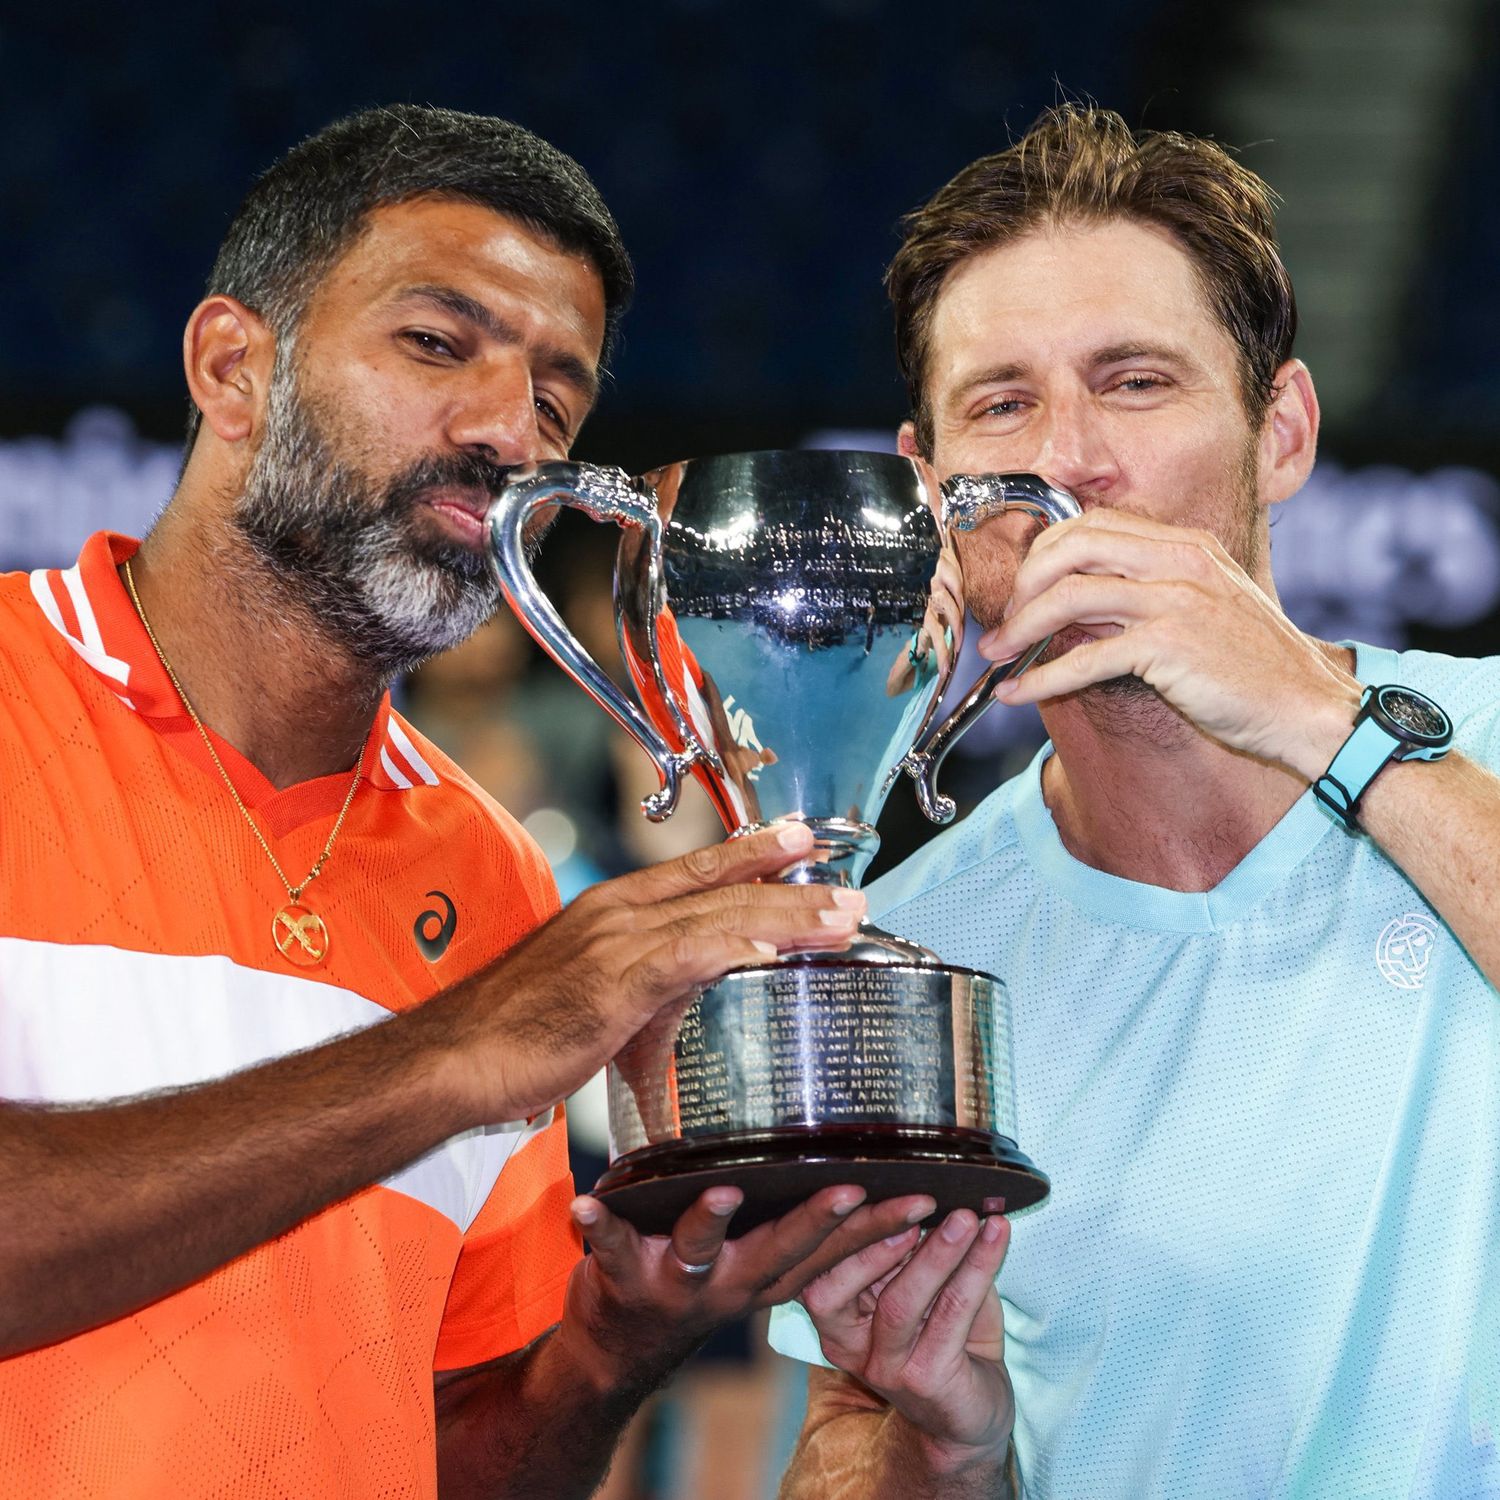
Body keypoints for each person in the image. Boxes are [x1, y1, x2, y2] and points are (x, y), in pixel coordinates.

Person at [0, 105, 935, 1499]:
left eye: (559, 397)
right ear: (231, 367)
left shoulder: (492, 882)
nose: (509, 431)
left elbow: (447, 1457)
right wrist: (455, 1052)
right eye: (436, 343)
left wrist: (613, 1345)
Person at [773, 103, 1500, 1499]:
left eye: (1138, 382)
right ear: (930, 492)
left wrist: (1319, 722)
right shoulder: (911, 960)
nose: (1071, 461)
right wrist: (942, 1438)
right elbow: (845, 1449)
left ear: (1280, 434)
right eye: (1003, 404)